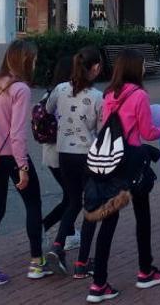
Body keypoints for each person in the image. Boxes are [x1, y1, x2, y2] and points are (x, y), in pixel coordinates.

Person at [87, 49, 160, 302]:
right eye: (142, 65)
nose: (144, 68)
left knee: (108, 221)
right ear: (135, 68)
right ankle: (145, 270)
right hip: (133, 162)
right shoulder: (140, 95)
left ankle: (98, 284)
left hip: (111, 162)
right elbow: (148, 131)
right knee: (142, 216)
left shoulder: (109, 93)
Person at [0, 40, 50, 290]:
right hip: (12, 157)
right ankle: (37, 262)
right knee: (33, 204)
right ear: (25, 60)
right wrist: (23, 167)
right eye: (34, 59)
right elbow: (17, 133)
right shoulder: (21, 89)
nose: (36, 63)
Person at [45, 47, 103, 278]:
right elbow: (101, 128)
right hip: (87, 154)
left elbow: (48, 109)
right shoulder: (97, 97)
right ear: (96, 67)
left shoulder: (60, 89)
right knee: (90, 205)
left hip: (64, 153)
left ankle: (58, 246)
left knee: (72, 201)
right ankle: (82, 262)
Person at [41, 56, 74, 237]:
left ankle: (67, 233)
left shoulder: (49, 93)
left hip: (51, 153)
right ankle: (47, 226)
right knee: (73, 198)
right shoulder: (66, 95)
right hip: (64, 154)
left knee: (70, 196)